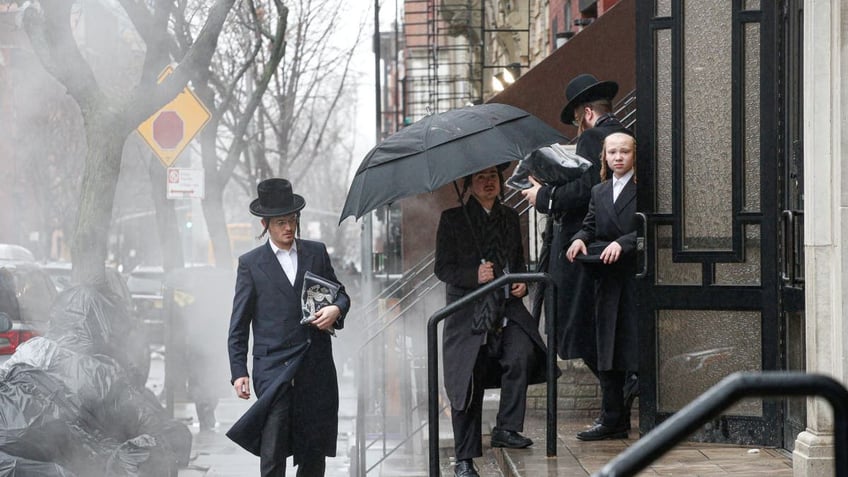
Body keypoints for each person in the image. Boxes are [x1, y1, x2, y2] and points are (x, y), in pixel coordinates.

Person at [520, 73, 636, 421]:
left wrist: (543, 196)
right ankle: (620, 392)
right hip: (607, 248)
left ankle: (621, 388)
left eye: (575, 120)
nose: (577, 128)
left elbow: (585, 191)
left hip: (581, 251)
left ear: (586, 113)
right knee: (596, 325)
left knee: (575, 326)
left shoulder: (593, 141)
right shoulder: (626, 137)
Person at [226, 178, 351, 477]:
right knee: (273, 451)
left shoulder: (316, 253)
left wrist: (336, 309)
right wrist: (238, 372)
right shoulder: (251, 264)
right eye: (281, 222)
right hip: (273, 369)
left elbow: (341, 294)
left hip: (315, 366)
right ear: (265, 223)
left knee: (313, 453)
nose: (289, 228)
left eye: (293, 220)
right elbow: (239, 325)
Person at [434, 166, 551, 477]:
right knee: (467, 381)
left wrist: (522, 282)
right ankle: (464, 459)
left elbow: (516, 260)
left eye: (493, 177)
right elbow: (442, 268)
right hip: (467, 315)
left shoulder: (510, 218)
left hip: (507, 309)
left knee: (522, 353)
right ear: (470, 185)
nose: (488, 182)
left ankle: (507, 427)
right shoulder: (453, 219)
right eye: (480, 178)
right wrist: (475, 275)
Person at [565, 132, 638, 440]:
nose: (618, 157)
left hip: (635, 279)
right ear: (604, 157)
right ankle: (612, 420)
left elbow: (652, 226)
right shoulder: (599, 190)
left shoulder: (643, 189)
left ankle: (647, 414)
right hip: (606, 280)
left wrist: (623, 243)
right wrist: (579, 238)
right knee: (606, 349)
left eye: (624, 152)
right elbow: (590, 224)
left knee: (634, 348)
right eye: (612, 152)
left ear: (634, 156)